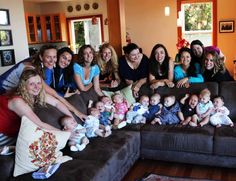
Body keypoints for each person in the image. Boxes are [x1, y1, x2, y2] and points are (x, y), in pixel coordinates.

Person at [0, 45, 86, 120]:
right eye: (48, 57)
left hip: (13, 95)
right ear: (41, 57)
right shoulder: (31, 69)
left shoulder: (46, 67)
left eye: (54, 57)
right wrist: (77, 112)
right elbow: (54, 94)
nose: (52, 60)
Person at [0, 69, 75, 147]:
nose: (36, 87)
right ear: (24, 85)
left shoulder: (36, 93)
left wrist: (72, 119)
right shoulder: (17, 101)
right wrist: (65, 135)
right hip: (2, 133)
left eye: (38, 83)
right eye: (32, 84)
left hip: (13, 130)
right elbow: (40, 125)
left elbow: (57, 103)